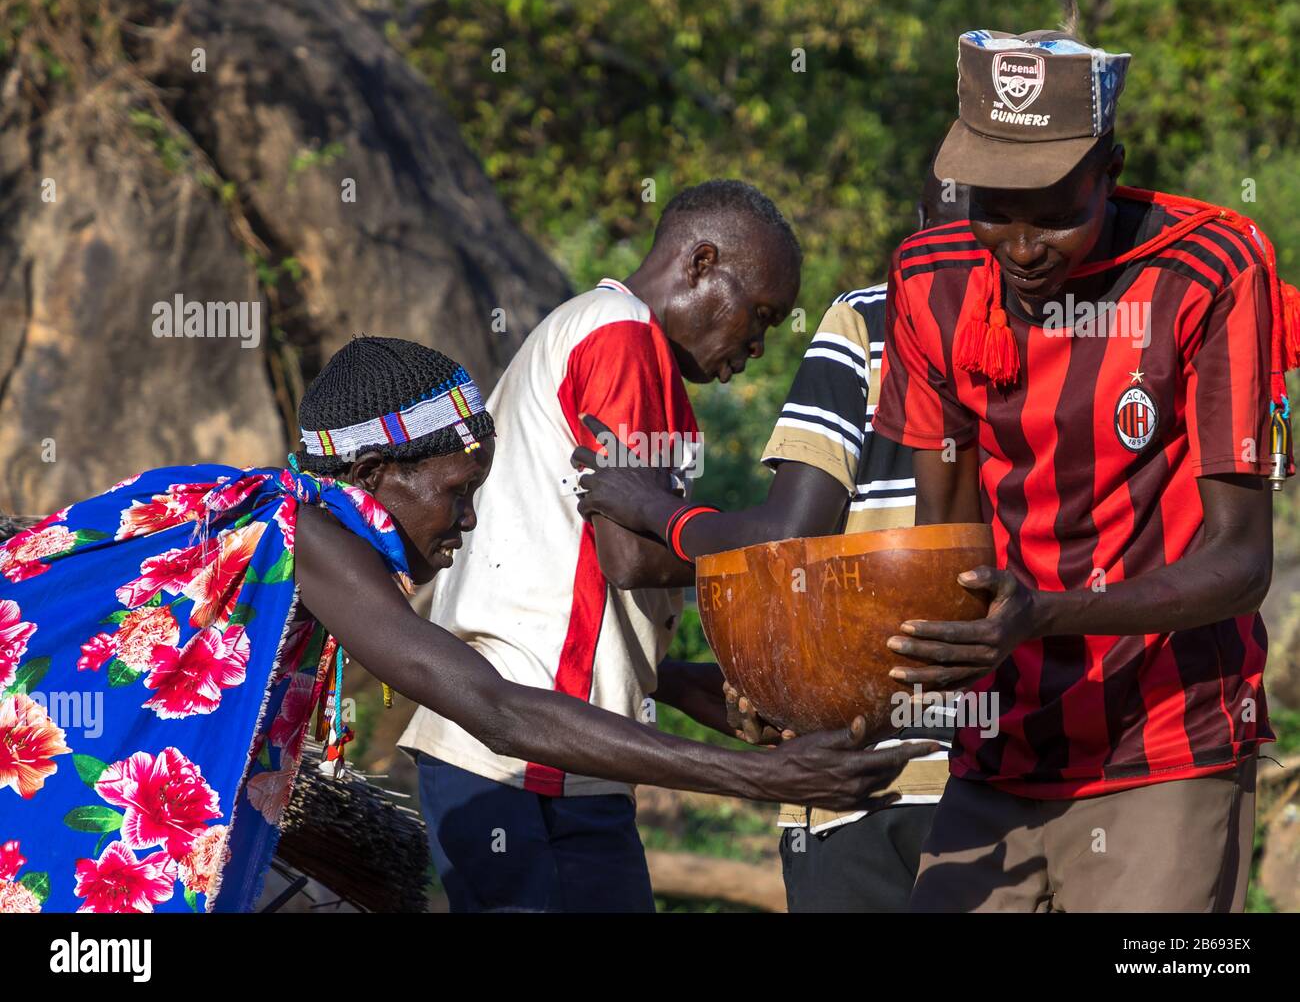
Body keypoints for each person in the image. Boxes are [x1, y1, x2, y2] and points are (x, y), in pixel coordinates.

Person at [0, 336, 931, 914]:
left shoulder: (275, 527)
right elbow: (492, 706)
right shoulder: (307, 535)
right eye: (456, 492)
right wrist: (758, 777)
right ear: (380, 474)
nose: (469, 523)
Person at [871, 29, 1296, 912]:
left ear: (1112, 169)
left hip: (1166, 742)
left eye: (1056, 210)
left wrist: (1048, 613)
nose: (1021, 246)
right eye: (995, 207)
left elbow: (1242, 563)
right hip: (997, 747)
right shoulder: (932, 279)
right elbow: (945, 543)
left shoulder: (1208, 271)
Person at [397, 180, 859, 912]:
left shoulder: (595, 330)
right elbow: (630, 555)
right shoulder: (623, 334)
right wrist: (776, 543)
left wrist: (671, 679)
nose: (758, 344)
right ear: (702, 262)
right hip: (530, 754)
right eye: (759, 315)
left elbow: (574, 575)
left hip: (552, 747)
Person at [571, 167, 970, 912]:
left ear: (919, 224)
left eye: (766, 321)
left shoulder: (872, 318)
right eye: (757, 317)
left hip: (863, 772)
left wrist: (650, 505)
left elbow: (788, 538)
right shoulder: (1083, 327)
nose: (755, 346)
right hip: (1020, 770)